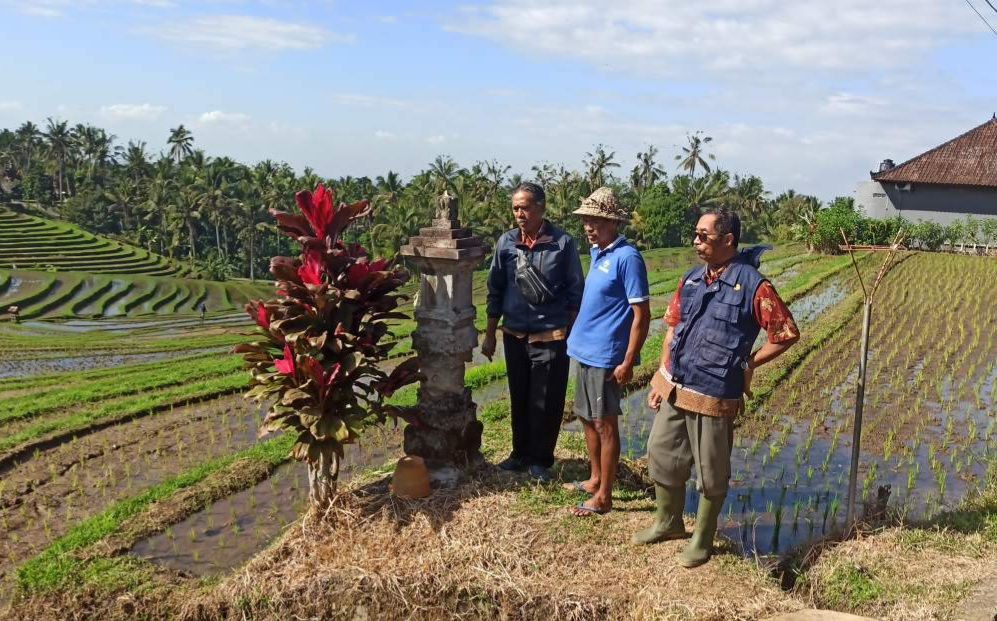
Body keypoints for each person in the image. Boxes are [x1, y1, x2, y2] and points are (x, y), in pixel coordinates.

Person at [633, 207, 799, 568]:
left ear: (728, 240)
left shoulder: (755, 285)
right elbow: (673, 329)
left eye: (703, 236)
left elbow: (785, 334)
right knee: (661, 453)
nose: (696, 241)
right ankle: (668, 522)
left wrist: (750, 362)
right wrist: (661, 378)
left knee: (711, 472)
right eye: (695, 234)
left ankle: (702, 540)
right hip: (677, 385)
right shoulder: (692, 279)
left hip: (714, 392)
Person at [483, 182, 585, 481]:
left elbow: (575, 292)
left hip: (550, 336)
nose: (519, 213)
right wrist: (490, 334)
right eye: (515, 208)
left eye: (525, 207)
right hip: (514, 335)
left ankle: (541, 458)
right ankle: (519, 453)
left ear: (541, 207)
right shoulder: (506, 244)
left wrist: (571, 333)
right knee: (520, 396)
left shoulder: (562, 244)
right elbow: (495, 290)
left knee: (547, 400)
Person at [565, 187, 650, 516]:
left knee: (604, 423)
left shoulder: (627, 258)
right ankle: (595, 479)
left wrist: (628, 360)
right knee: (587, 417)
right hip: (585, 351)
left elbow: (642, 316)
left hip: (606, 356)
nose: (589, 226)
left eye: (596, 220)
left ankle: (605, 496)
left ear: (613, 223)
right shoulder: (600, 253)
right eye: (586, 220)